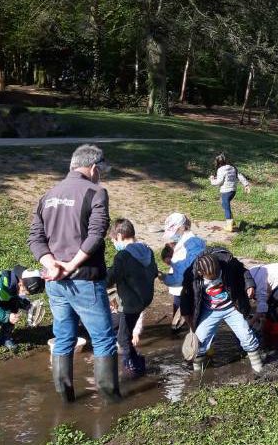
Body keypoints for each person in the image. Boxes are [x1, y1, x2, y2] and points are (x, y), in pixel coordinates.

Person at [28, 143, 119, 403]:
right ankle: (111, 403)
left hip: (55, 282)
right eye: (101, 171)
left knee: (64, 337)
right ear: (93, 168)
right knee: (103, 339)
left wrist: (51, 264)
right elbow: (96, 234)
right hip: (85, 280)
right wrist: (71, 264)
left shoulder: (48, 195)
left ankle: (66, 400)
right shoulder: (96, 192)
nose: (101, 175)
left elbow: (35, 238)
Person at [180, 249, 264, 374]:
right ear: (200, 273)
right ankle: (198, 376)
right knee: (199, 344)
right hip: (209, 310)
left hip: (232, 307)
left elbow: (244, 272)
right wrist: (190, 323)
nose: (215, 277)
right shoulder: (191, 275)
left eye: (217, 274)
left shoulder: (227, 263)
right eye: (211, 277)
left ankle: (259, 370)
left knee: (247, 336)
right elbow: (185, 299)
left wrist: (249, 285)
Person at [107, 219, 158, 379]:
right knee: (124, 332)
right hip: (145, 297)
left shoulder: (122, 256)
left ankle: (133, 369)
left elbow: (110, 279)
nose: (114, 244)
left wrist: (100, 276)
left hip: (130, 302)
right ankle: (136, 362)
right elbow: (154, 271)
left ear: (120, 236)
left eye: (114, 240)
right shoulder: (147, 250)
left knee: (122, 338)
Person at [160, 212, 206, 333]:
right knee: (189, 314)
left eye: (174, 232)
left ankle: (199, 345)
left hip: (192, 286)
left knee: (193, 316)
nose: (173, 236)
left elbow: (183, 274)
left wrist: (164, 277)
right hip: (189, 285)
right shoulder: (189, 241)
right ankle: (197, 341)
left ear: (182, 227)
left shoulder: (191, 243)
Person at [209, 154, 251, 232]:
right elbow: (240, 176)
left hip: (225, 191)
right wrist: (246, 185)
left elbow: (219, 181)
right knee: (225, 205)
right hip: (233, 191)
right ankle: (232, 222)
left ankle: (229, 226)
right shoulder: (233, 168)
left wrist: (212, 180)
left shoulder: (221, 169)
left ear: (218, 162)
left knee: (226, 207)